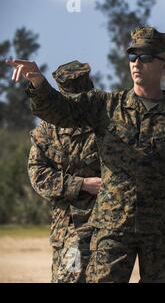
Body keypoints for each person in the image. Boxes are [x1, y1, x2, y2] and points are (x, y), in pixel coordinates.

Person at [7, 26, 165, 283]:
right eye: (132, 57)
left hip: (163, 231)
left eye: (146, 57)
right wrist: (40, 83)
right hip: (112, 227)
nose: (137, 63)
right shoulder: (105, 105)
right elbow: (61, 111)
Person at [28, 61, 101, 283]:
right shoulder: (46, 132)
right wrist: (81, 184)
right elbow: (38, 175)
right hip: (69, 228)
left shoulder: (106, 123)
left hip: (106, 224)